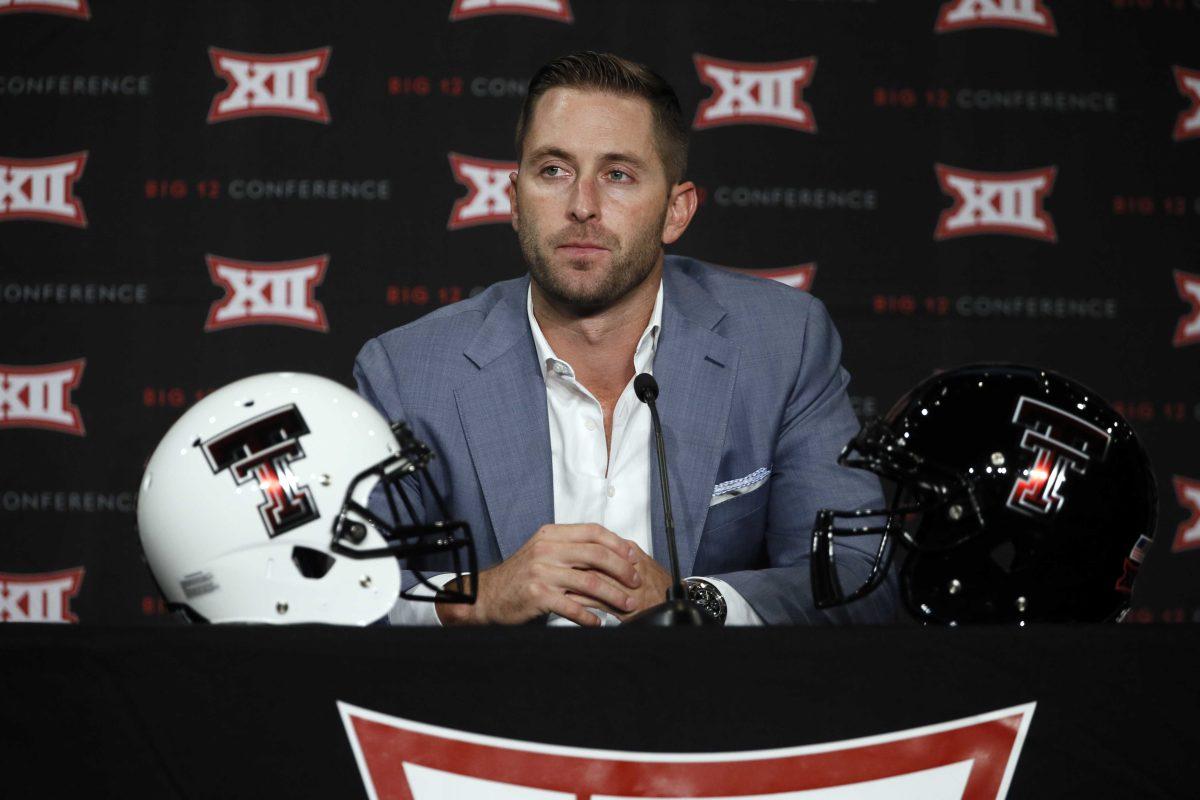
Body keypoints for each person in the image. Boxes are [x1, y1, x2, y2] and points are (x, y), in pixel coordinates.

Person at [354, 52, 896, 626]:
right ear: (514, 201)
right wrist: (477, 596)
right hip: (497, 708)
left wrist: (695, 602)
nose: (583, 206)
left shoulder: (785, 344)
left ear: (675, 211)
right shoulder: (407, 372)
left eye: (618, 175)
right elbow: (334, 587)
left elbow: (858, 575)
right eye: (554, 170)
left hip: (711, 706)